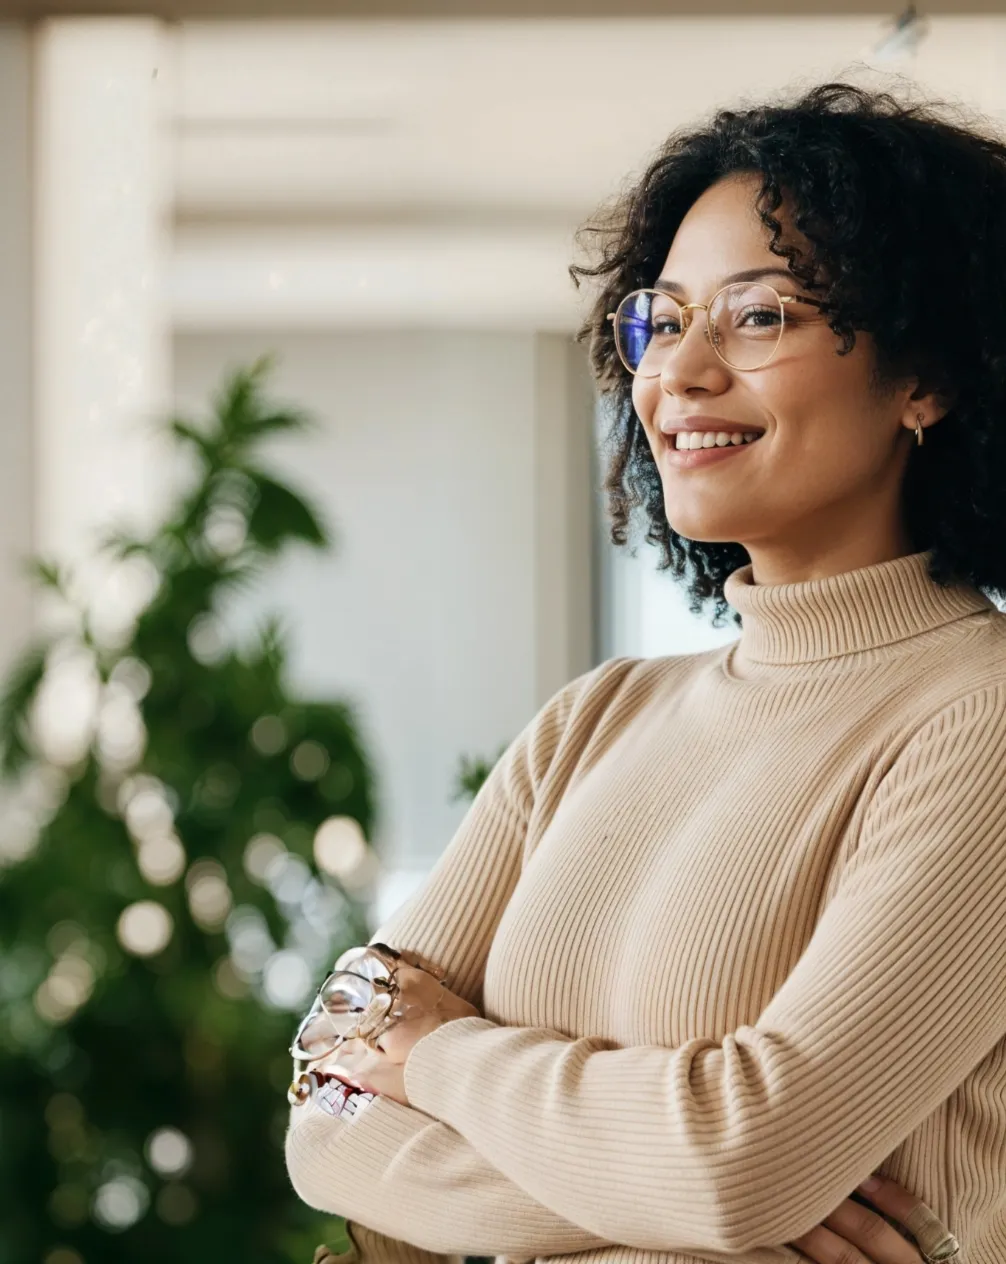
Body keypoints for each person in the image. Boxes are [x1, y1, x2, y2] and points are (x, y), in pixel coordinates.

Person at [285, 80, 1006, 1264]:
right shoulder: (594, 721)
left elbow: (740, 1167)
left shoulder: (976, 719)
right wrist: (671, 1180)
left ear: (924, 375)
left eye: (758, 317)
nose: (681, 373)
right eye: (661, 321)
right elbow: (325, 1121)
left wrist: (436, 1054)